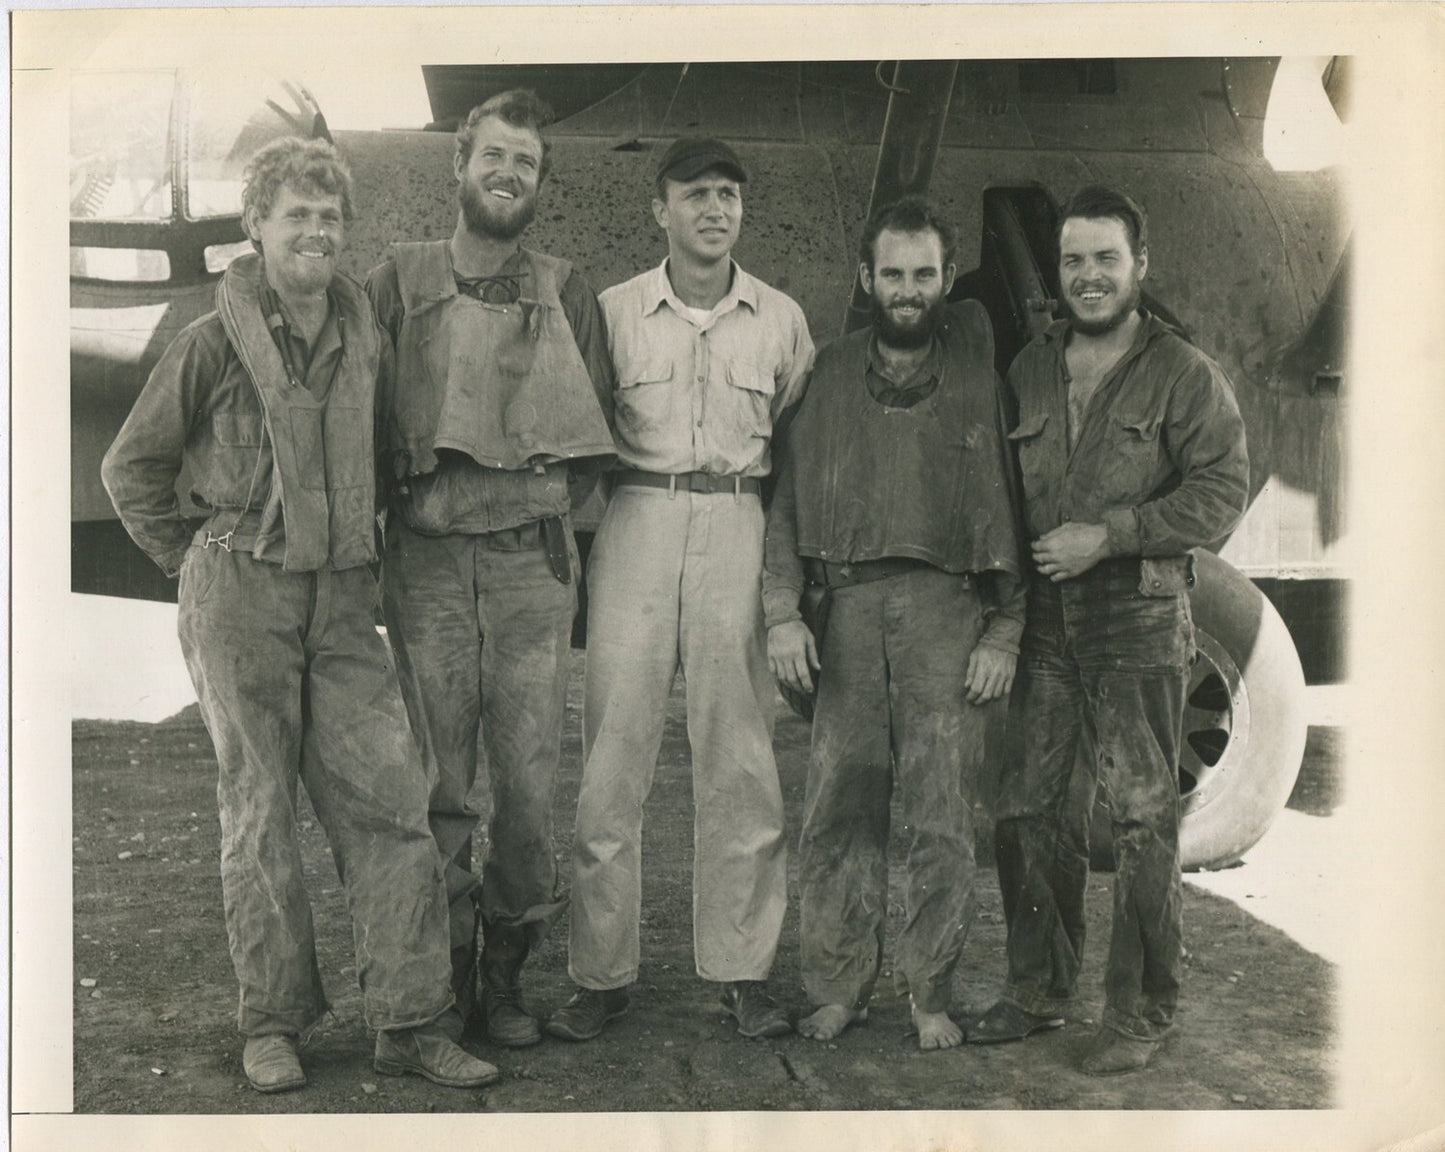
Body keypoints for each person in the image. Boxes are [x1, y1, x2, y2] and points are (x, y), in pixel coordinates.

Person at [100, 137, 498, 1093]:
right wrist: (197, 565)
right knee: (260, 813)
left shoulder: (366, 339)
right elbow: (130, 469)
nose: (316, 232)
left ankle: (409, 1020)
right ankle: (272, 1023)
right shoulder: (208, 343)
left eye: (330, 218)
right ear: (256, 227)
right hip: (242, 592)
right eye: (296, 216)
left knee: (390, 805)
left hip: (342, 600)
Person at [970, 185, 1249, 1074]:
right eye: (1072, 261)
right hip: (1047, 621)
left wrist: (1112, 535)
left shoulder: (1182, 373)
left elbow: (1220, 491)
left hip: (1134, 622)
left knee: (1138, 821)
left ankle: (1138, 1013)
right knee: (1026, 810)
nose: (1088, 277)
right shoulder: (1029, 368)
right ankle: (1038, 992)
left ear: (1139, 264)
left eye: (1104, 259)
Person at [547, 137, 814, 1042]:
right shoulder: (616, 312)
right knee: (612, 755)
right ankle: (600, 974)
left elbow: (794, 453)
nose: (714, 209)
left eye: (729, 194)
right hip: (637, 518)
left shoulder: (778, 320)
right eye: (694, 194)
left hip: (737, 522)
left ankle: (743, 970)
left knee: (740, 756)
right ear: (658, 210)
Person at [364, 91, 616, 1049]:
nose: (508, 175)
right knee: (433, 787)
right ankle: (434, 988)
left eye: (526, 164)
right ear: (458, 166)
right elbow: (366, 422)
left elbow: (591, 446)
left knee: (525, 790)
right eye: (494, 156)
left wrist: (527, 517)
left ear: (539, 184)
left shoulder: (565, 287)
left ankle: (503, 985)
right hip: (425, 571)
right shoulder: (398, 280)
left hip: (528, 573)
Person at [763, 196, 1024, 1050]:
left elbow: (1010, 519)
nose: (907, 291)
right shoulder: (829, 375)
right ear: (865, 280)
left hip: (945, 615)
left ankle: (928, 992)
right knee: (839, 804)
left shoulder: (981, 388)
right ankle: (837, 985)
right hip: (843, 614)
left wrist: (1002, 634)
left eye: (923, 275)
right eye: (892, 275)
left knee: (941, 813)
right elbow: (784, 506)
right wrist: (780, 614)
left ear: (947, 280)